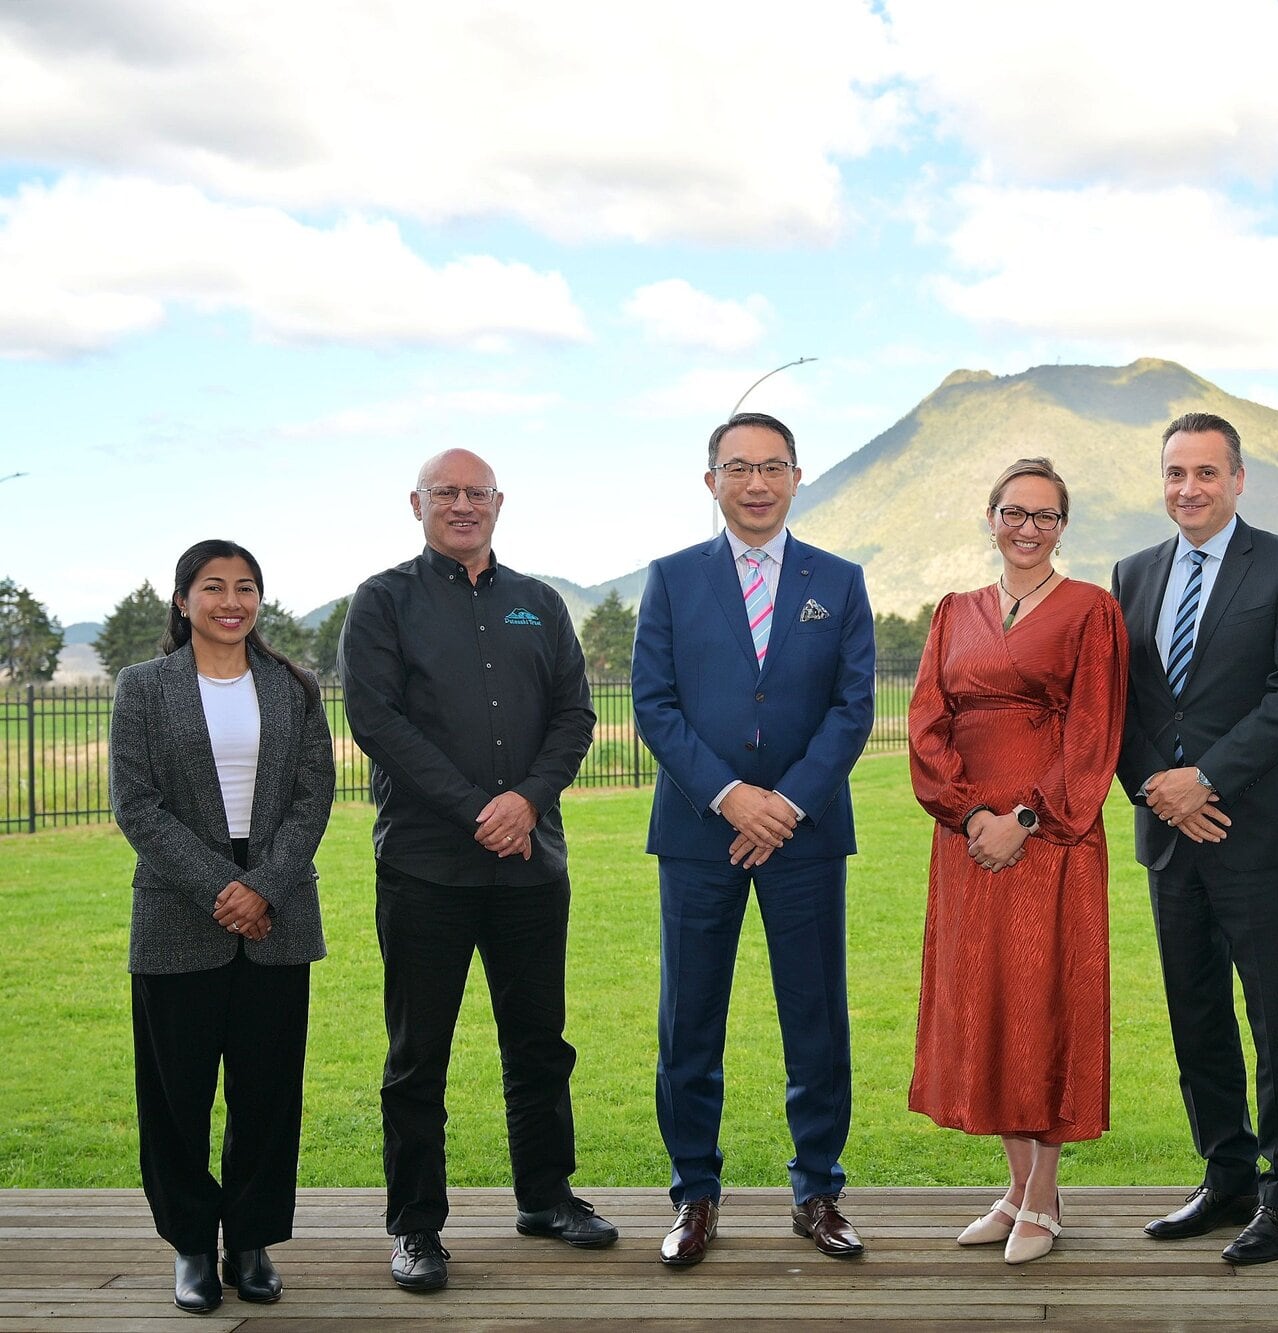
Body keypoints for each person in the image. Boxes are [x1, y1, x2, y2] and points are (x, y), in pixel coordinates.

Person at [339, 449, 615, 1293]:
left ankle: (546, 1196)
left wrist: (525, 802)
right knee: (417, 1055)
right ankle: (416, 1226)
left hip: (531, 865)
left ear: (499, 503)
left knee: (539, 1043)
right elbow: (376, 720)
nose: (463, 505)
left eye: (476, 493)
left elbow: (575, 714)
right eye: (446, 493)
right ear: (416, 504)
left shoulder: (540, 603)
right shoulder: (382, 601)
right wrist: (475, 808)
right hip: (426, 868)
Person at [632, 411, 875, 1268]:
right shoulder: (670, 579)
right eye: (739, 467)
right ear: (712, 482)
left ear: (798, 477)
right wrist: (733, 797)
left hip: (804, 841)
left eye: (774, 466)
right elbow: (653, 704)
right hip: (701, 837)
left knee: (816, 1019)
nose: (757, 482)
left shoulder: (839, 582)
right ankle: (694, 1193)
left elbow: (853, 711)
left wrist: (787, 805)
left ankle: (818, 1190)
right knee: (688, 1023)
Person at [1110, 412, 1278, 1267]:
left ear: (1239, 479)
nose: (1188, 489)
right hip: (1170, 835)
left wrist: (1204, 778)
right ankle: (1226, 1172)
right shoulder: (1132, 573)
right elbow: (1119, 702)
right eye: (1175, 473)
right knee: (1195, 1011)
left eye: (1206, 473)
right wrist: (1158, 791)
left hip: (1257, 829)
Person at [908, 458, 1130, 1265]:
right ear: (991, 517)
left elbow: (1094, 733)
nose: (1028, 528)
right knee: (993, 1004)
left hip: (1050, 842)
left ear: (1063, 526)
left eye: (1045, 515)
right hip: (970, 845)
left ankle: (1045, 1196)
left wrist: (1024, 818)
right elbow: (927, 723)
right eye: (1014, 512)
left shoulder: (1090, 611)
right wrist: (971, 814)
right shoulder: (953, 612)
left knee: (1044, 1003)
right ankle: (1015, 1188)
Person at [109, 539, 334, 1313]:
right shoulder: (143, 687)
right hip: (179, 908)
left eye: (245, 587)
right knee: (176, 1095)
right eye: (213, 586)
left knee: (268, 1091)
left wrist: (262, 885)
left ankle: (251, 1240)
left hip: (278, 911)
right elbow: (136, 804)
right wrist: (222, 887)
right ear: (182, 600)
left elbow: (314, 797)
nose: (230, 600)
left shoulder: (293, 686)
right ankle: (190, 1246)